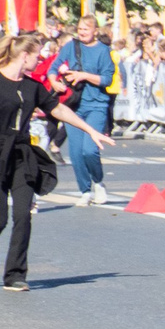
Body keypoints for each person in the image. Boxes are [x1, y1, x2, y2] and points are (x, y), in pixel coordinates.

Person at [0, 30, 113, 292]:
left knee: (23, 216)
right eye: (37, 56)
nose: (39, 61)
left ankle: (15, 275)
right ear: (24, 55)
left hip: (22, 155)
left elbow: (58, 109)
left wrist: (90, 130)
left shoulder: (32, 86)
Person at [50, 16, 119, 206]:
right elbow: (54, 67)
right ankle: (85, 190)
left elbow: (106, 79)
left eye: (86, 29)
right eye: (79, 29)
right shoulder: (71, 46)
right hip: (73, 106)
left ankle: (98, 182)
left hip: (96, 105)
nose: (81, 32)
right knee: (76, 152)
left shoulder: (104, 51)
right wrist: (54, 80)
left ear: (95, 31)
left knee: (90, 150)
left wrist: (84, 76)